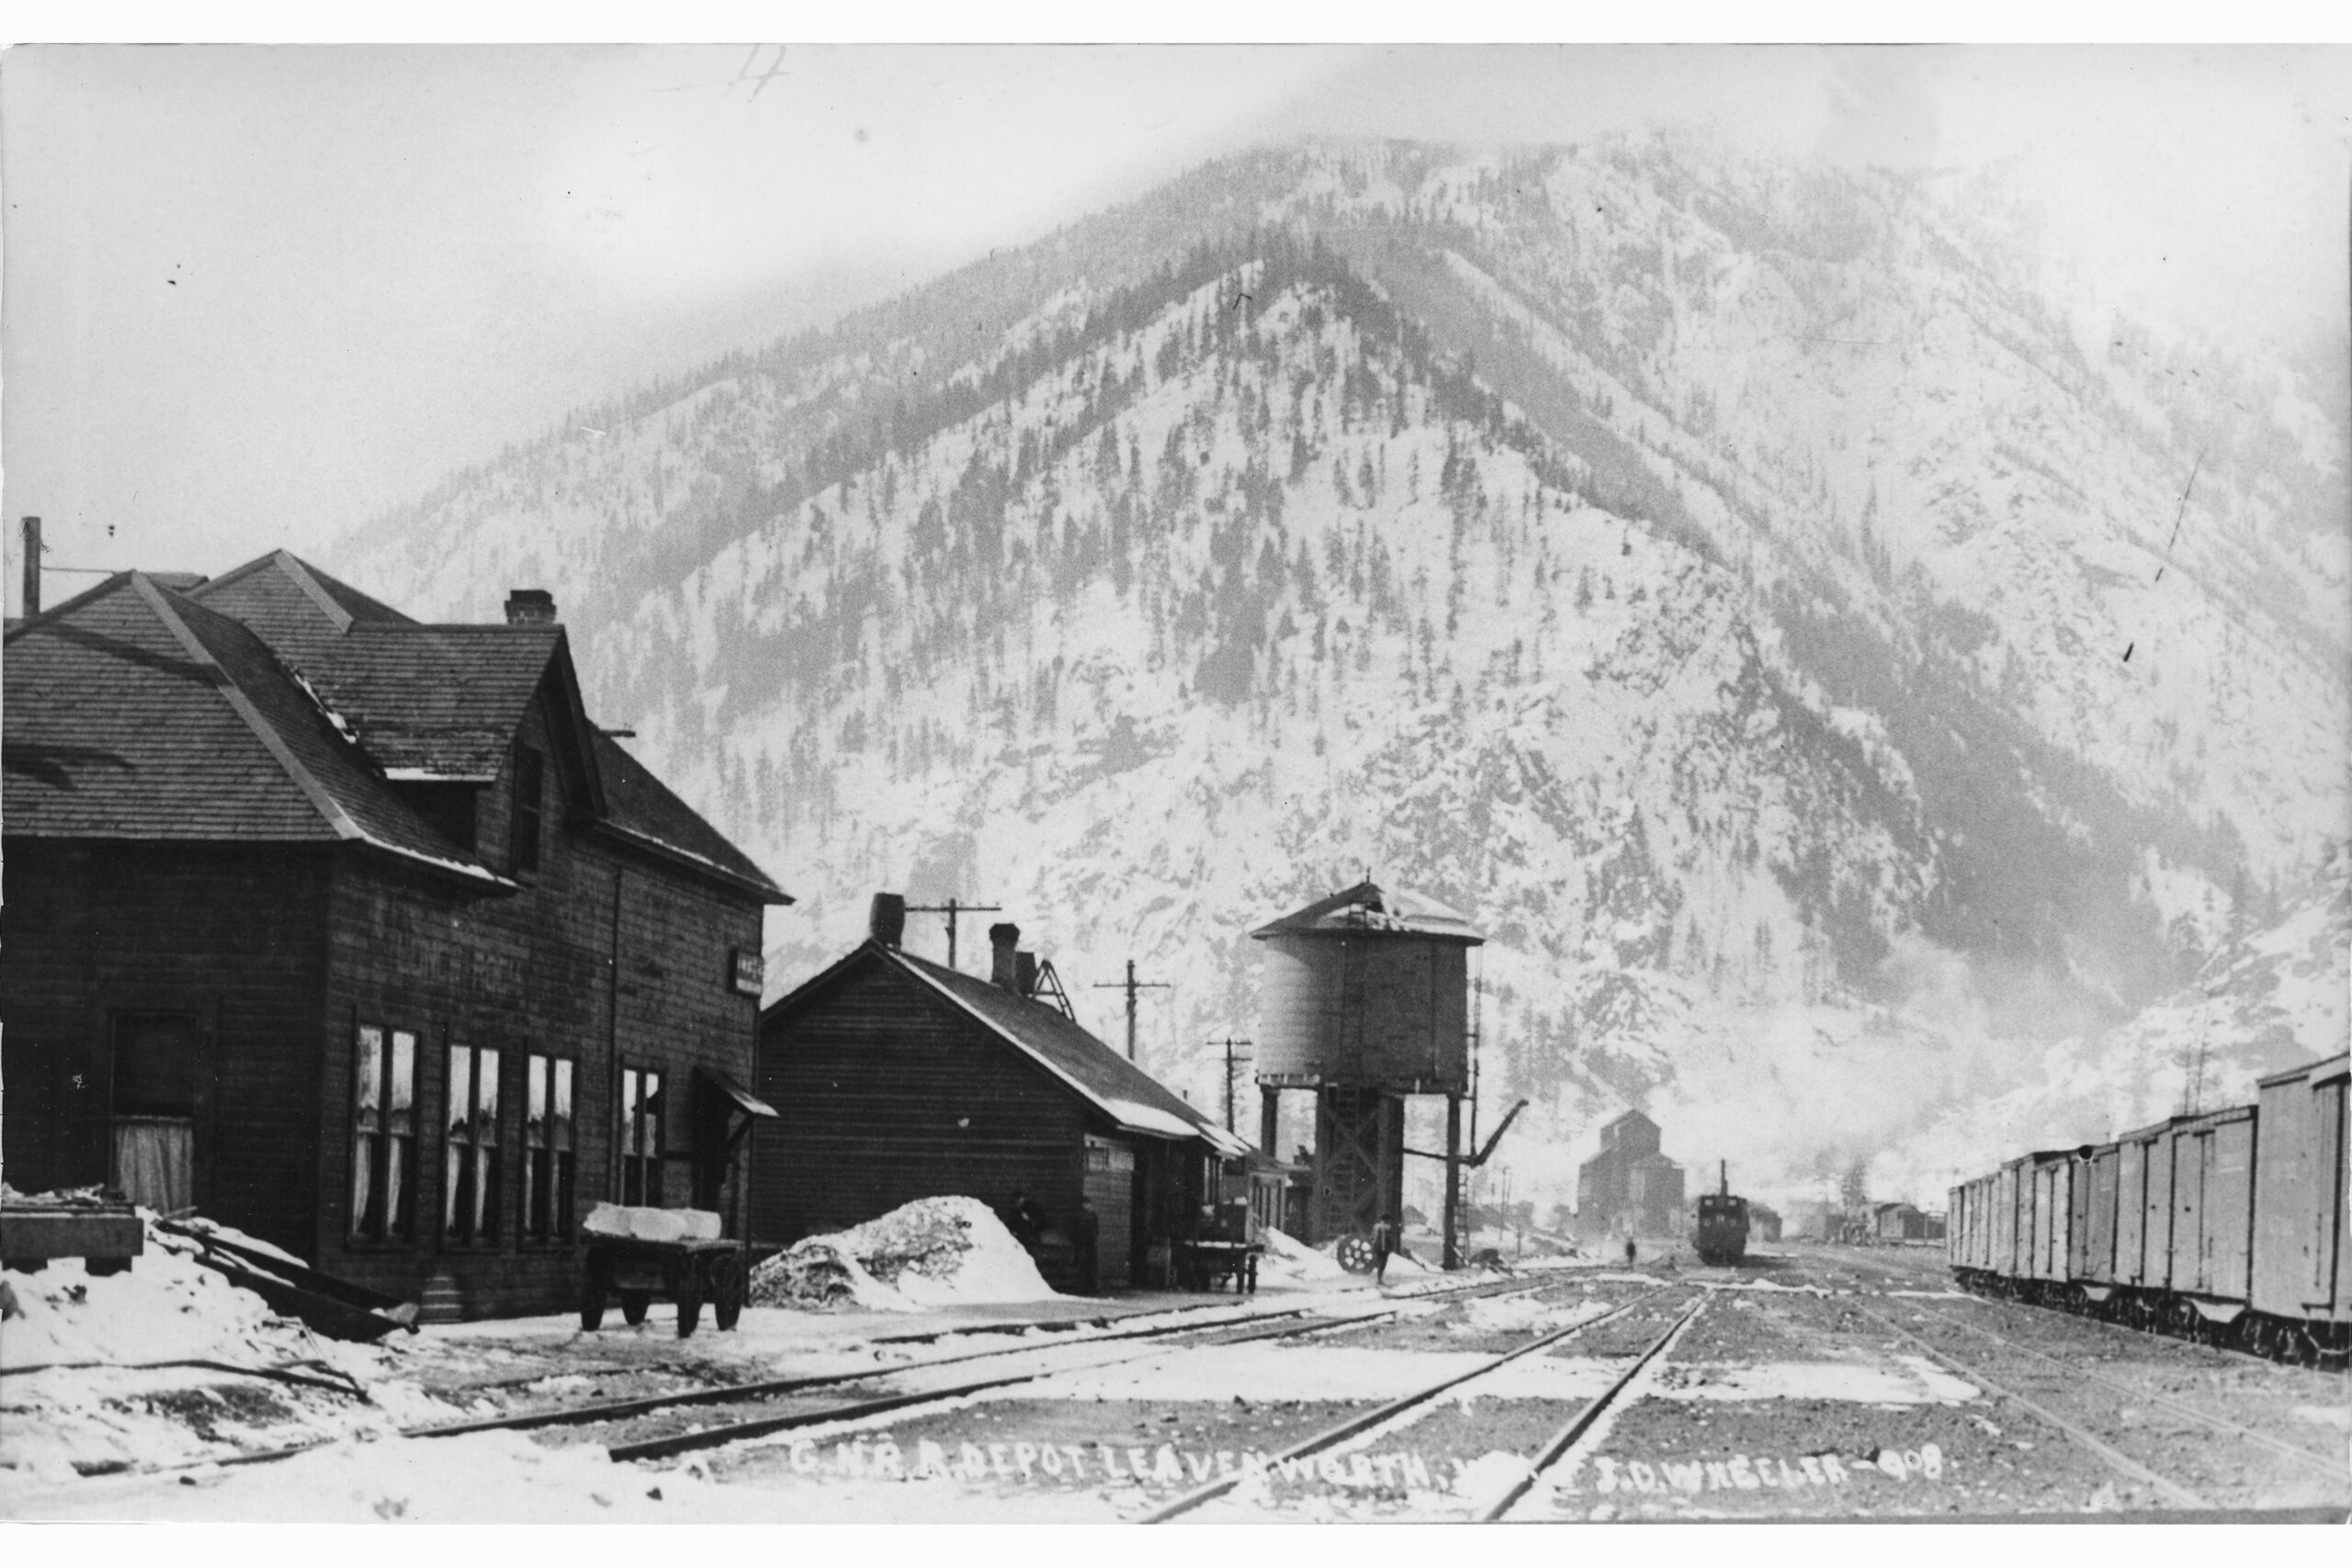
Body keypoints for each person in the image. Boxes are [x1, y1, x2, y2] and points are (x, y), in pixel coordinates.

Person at [1072, 1196, 1102, 1296]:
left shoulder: (1093, 1215)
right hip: (1082, 1243)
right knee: (1083, 1264)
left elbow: (1096, 1229)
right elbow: (1075, 1229)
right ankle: (1084, 1287)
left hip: (1091, 1243)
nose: (1087, 1205)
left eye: (1088, 1203)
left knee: (1092, 1265)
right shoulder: (1079, 1216)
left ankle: (1092, 1286)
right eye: (1085, 1203)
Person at [1372, 1213, 1397, 1286]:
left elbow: (1373, 1237)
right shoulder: (1388, 1227)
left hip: (1377, 1247)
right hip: (1385, 1248)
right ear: (1386, 1220)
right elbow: (1390, 1239)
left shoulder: (1376, 1226)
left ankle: (1379, 1278)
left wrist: (1373, 1246)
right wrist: (1391, 1248)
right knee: (1383, 1264)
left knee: (1380, 1262)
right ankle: (1379, 1279)